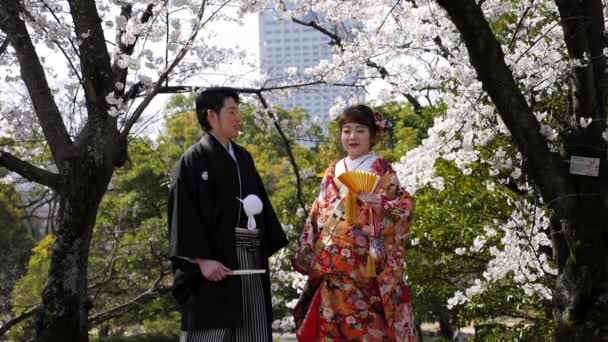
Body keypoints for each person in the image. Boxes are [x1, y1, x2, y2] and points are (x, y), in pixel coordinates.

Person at [168, 87, 288, 342]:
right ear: (212, 116)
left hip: (249, 260)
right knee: (211, 330)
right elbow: (184, 215)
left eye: (238, 111)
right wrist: (201, 260)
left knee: (252, 329)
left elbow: (261, 207)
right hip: (213, 264)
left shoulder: (243, 157)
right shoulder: (192, 159)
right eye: (231, 111)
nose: (238, 118)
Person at [292, 104, 417, 341]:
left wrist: (382, 206)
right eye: (347, 130)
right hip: (333, 267)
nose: (352, 136)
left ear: (372, 135)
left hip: (368, 270)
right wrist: (312, 250)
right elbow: (317, 215)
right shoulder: (333, 170)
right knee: (331, 330)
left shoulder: (381, 169)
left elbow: (405, 209)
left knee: (370, 330)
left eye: (360, 130)